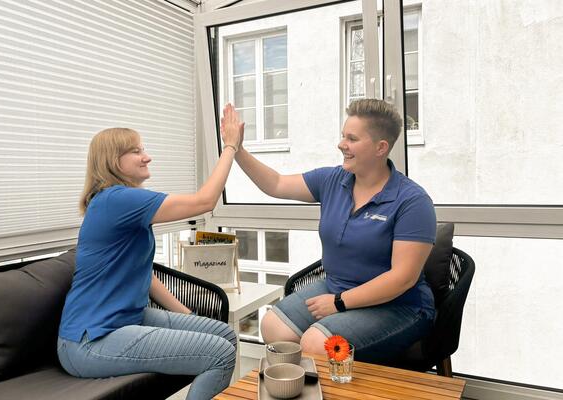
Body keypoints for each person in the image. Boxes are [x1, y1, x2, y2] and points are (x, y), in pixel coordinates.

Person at [221, 99, 437, 364]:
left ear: (381, 147)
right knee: (273, 326)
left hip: (399, 305)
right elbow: (276, 184)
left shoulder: (412, 201)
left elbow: (402, 278)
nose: (341, 144)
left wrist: (339, 302)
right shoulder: (333, 180)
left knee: (317, 343)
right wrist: (238, 150)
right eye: (343, 135)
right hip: (337, 286)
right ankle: (306, 388)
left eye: (352, 138)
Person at [58, 105, 244, 400]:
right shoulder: (118, 200)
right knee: (219, 353)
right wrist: (231, 145)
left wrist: (185, 314)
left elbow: (143, 272)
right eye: (135, 151)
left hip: (124, 320)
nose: (147, 156)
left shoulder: (117, 202)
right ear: (113, 161)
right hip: (89, 340)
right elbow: (205, 201)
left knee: (225, 334)